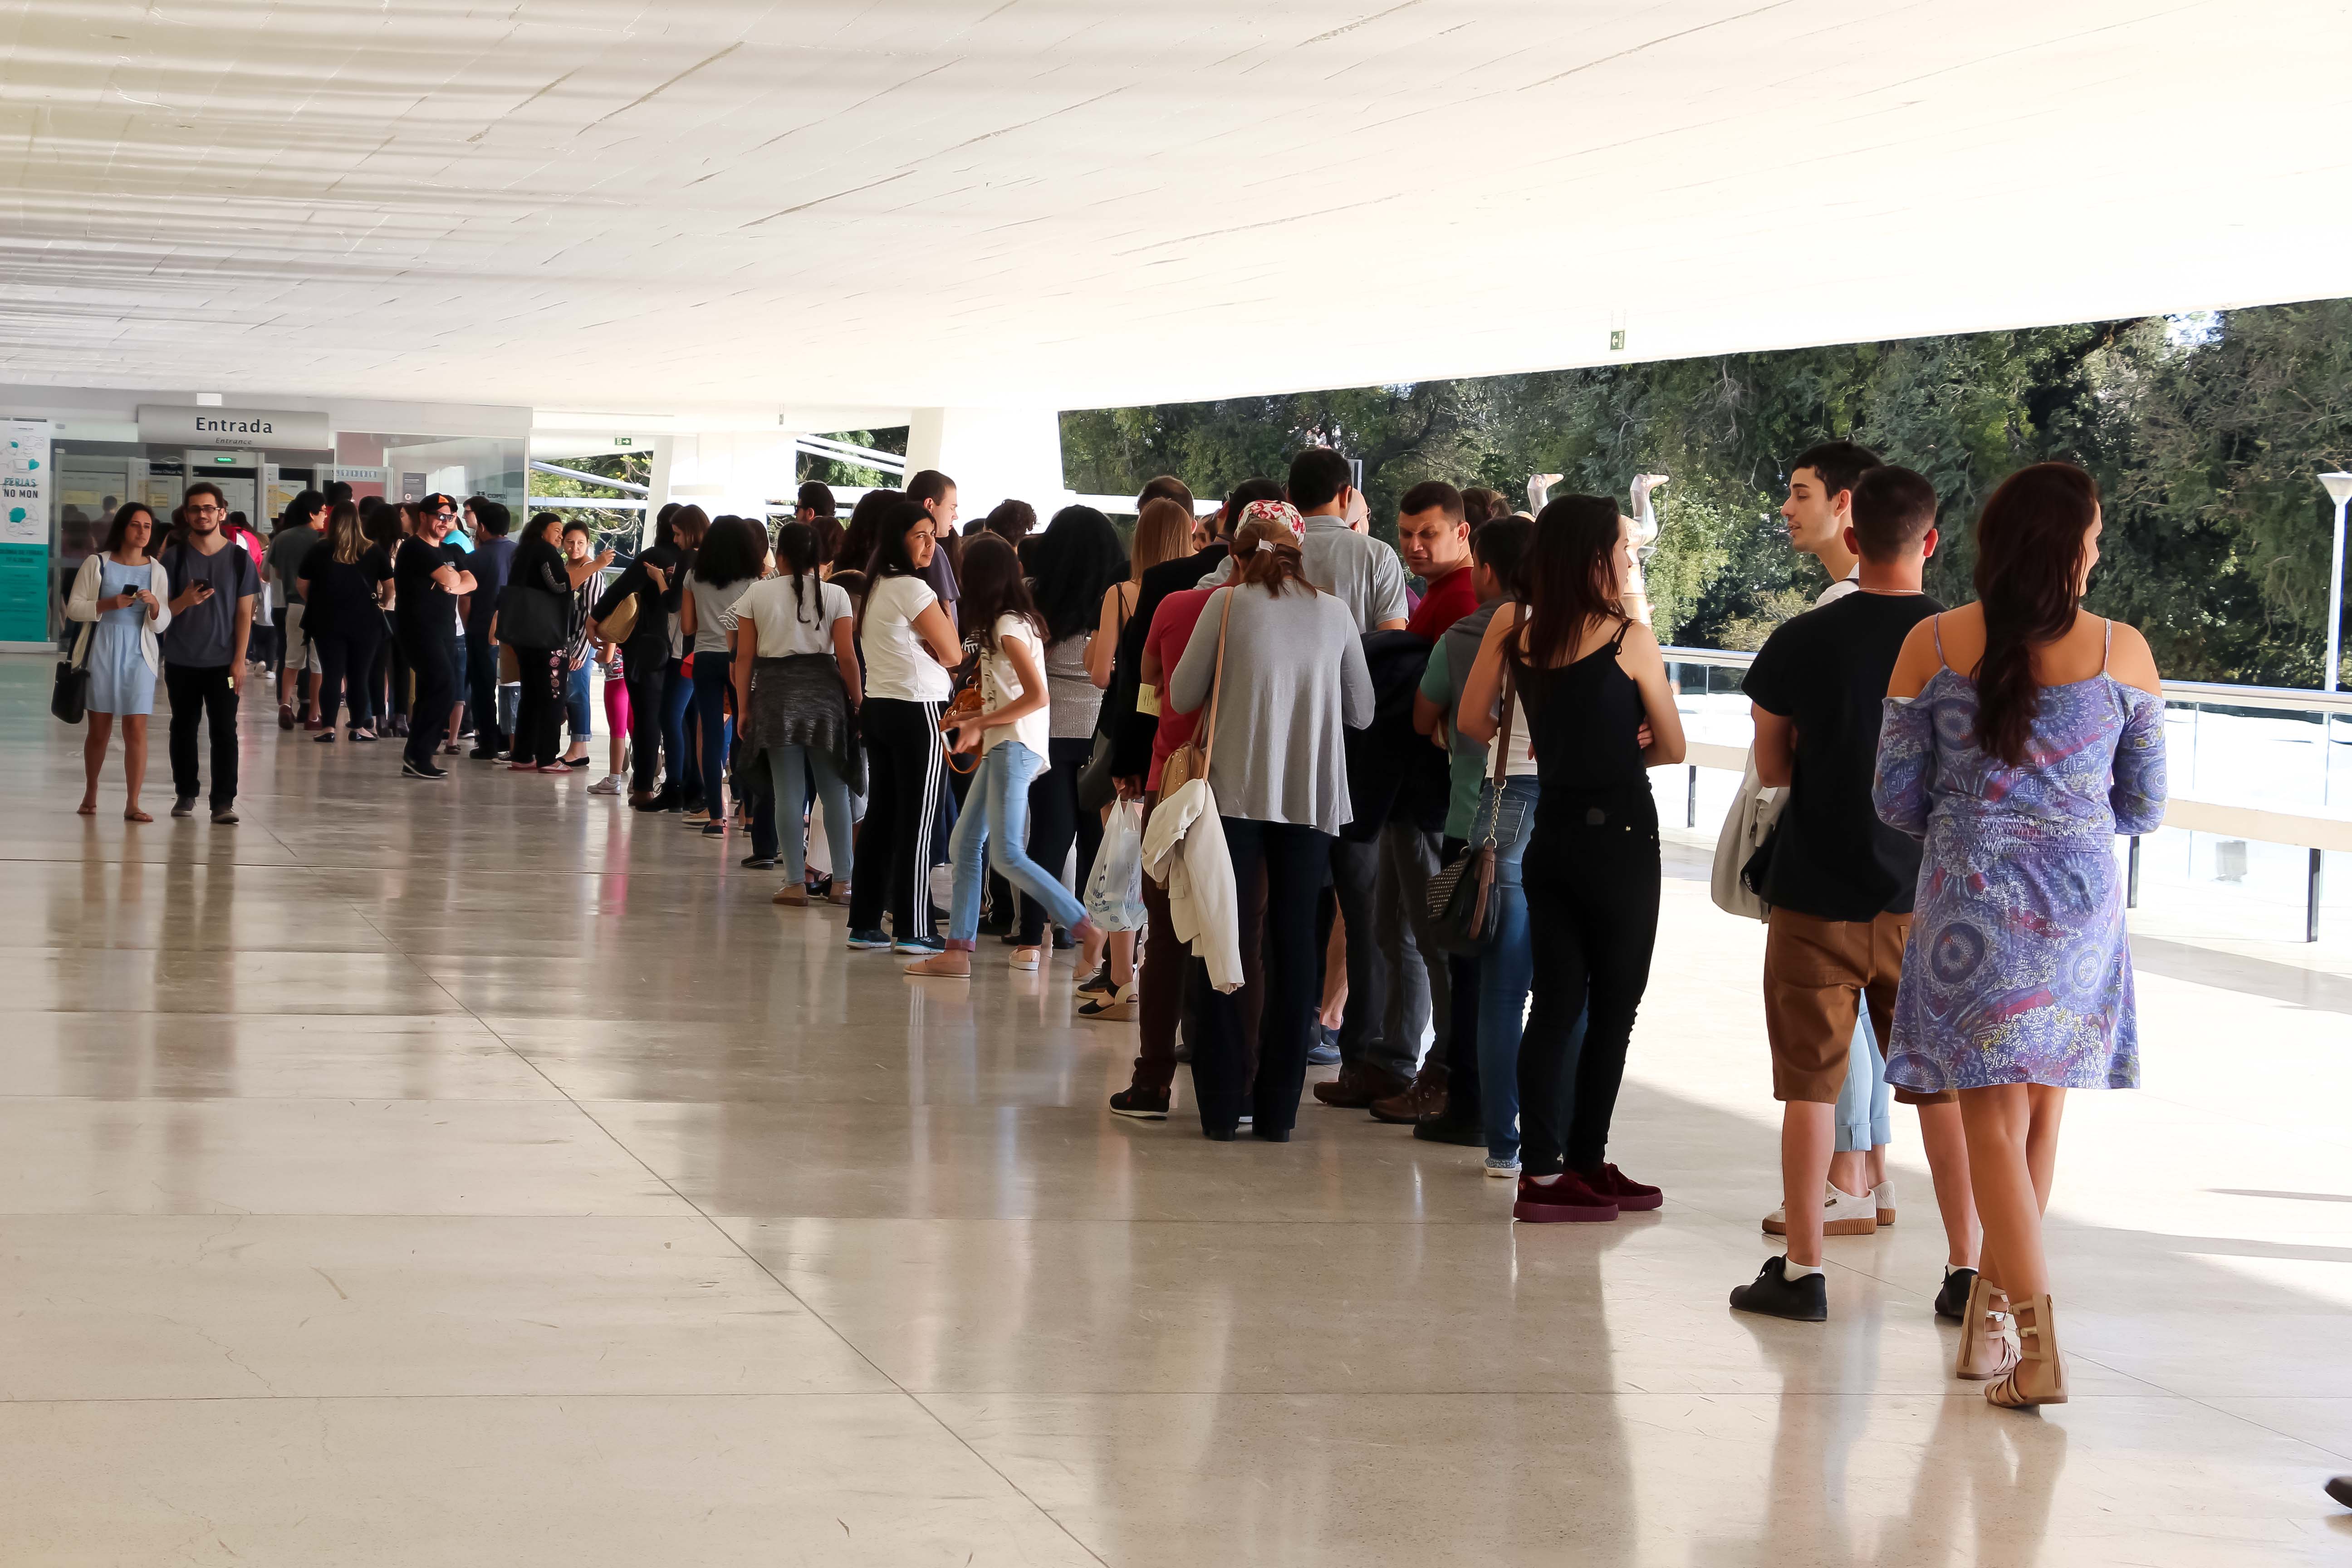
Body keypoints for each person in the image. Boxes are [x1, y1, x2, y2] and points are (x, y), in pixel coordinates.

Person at [1875, 461, 2166, 1410]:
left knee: (1992, 1121)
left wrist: (1981, 822)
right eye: (2096, 536)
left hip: (1969, 900)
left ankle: (2023, 1348)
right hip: (2081, 907)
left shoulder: (1932, 642)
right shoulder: (2125, 652)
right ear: (2074, 549)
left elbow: (1895, 798)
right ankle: (1991, 1336)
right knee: (2037, 1117)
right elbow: (2145, 805)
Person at [1728, 465, 1972, 1323]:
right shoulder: (1958, 642)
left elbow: (1770, 764)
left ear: (1853, 537)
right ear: (1930, 540)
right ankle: (1964, 1269)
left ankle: (1801, 1272)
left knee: (1808, 1087)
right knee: (1939, 1090)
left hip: (1812, 892)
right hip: (1924, 901)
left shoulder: (1802, 638)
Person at [1460, 495, 1685, 1222]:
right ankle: (1586, 1157)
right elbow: (1673, 746)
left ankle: (1545, 1172)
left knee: (1555, 1004)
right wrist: (1631, 739)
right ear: (1594, 557)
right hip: (1620, 835)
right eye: (1622, 548)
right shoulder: (1629, 638)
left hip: (1547, 829)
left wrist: (1548, 743)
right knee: (1613, 1008)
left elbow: (1471, 720)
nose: (1628, 559)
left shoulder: (1514, 626)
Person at [1166, 515, 1373, 1142]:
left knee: (1225, 939)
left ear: (1236, 554)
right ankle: (1280, 1109)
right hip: (1310, 797)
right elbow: (1361, 712)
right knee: (1294, 944)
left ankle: (1223, 1104)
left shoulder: (1225, 606)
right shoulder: (1335, 613)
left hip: (1233, 794)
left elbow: (1180, 696)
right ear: (1298, 554)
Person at [1755, 439, 1909, 1238]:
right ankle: (1879, 1182)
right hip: (1908, 877)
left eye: (1802, 492)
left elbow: (1779, 759)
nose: (1787, 507)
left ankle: (1841, 1180)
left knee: (1823, 1033)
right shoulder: (1939, 628)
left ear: (1848, 511)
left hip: (1829, 874)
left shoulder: (1823, 622)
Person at [1107, 505, 1285, 1119]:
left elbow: (1153, 686)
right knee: (1246, 938)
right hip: (1251, 796)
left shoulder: (1180, 606)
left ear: (1230, 552)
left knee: (1168, 941)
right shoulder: (1300, 620)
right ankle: (1239, 1080)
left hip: (1175, 783)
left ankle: (1153, 1078)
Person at [906, 537, 1107, 978]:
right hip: (1006, 745)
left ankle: (1083, 926)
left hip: (1013, 748)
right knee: (966, 843)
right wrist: (972, 716)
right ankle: (958, 952)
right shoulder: (1014, 621)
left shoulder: (1007, 627)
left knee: (1008, 854)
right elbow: (1013, 694)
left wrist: (978, 724)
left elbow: (1036, 695)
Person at [1412, 513, 1536, 1166]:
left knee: (1467, 963)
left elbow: (1424, 715)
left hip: (1468, 825)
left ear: (1486, 568)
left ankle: (1472, 1111)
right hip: (1541, 824)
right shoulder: (1582, 629)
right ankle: (1534, 1122)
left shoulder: (1464, 633)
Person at [1010, 505, 1133, 977]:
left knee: (1049, 835)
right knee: (1098, 842)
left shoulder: (1033, 596)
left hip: (1047, 730)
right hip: (1101, 733)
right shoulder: (1118, 596)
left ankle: (1030, 940)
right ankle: (1092, 948)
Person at [846, 498, 962, 955]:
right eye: (921, 535)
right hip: (919, 711)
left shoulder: (878, 585)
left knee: (882, 816)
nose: (932, 544)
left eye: (934, 534)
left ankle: (866, 922)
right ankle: (915, 927)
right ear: (898, 539)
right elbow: (953, 652)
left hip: (881, 708)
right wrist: (938, 649)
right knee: (918, 820)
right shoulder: (914, 590)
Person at [727, 520, 860, 906]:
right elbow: (848, 658)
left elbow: (745, 657)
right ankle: (843, 884)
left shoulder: (757, 593)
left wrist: (743, 708)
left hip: (776, 694)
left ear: (780, 555)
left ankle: (794, 884)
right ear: (818, 557)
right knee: (835, 792)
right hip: (826, 693)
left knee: (789, 792)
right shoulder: (836, 594)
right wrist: (858, 703)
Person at [155, 484, 261, 822]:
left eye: (209, 508)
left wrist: (239, 660)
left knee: (225, 731)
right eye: (195, 509)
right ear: (187, 515)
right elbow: (160, 612)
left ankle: (223, 802)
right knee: (183, 728)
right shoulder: (173, 558)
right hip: (181, 660)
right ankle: (185, 793)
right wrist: (185, 601)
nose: (202, 514)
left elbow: (245, 613)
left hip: (223, 664)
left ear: (222, 512)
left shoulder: (239, 558)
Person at [67, 503, 172, 820]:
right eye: (136, 526)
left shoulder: (156, 570)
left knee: (136, 728)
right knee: (99, 729)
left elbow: (163, 621)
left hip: (139, 653)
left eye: (148, 527)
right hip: (102, 647)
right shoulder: (97, 563)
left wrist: (155, 606)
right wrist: (108, 604)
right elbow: (74, 608)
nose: (142, 532)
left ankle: (133, 802)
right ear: (123, 528)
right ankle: (91, 791)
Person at [593, 502, 692, 809]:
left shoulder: (655, 556)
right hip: (686, 650)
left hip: (649, 648)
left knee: (648, 717)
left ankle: (644, 788)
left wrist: (593, 620)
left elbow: (619, 590)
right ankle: (686, 787)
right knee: (683, 721)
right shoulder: (697, 560)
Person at [502, 513, 613, 773]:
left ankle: (523, 754)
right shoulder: (545, 552)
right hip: (548, 638)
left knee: (530, 696)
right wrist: (596, 564)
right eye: (557, 530)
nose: (561, 536)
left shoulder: (523, 554)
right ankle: (548, 757)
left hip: (525, 637)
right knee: (553, 696)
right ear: (542, 530)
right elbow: (560, 585)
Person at [677, 514, 760, 828]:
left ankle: (715, 816)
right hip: (739, 658)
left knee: (711, 735)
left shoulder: (693, 577)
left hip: (705, 658)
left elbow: (688, 626)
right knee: (745, 734)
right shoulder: (753, 583)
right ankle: (749, 815)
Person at [392, 494, 477, 780]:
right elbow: (457, 580)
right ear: (424, 517)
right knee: (443, 686)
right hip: (419, 630)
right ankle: (419, 754)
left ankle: (417, 756)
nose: (445, 522)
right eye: (440, 516)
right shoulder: (415, 549)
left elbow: (471, 581)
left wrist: (452, 583)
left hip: (445, 631)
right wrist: (454, 581)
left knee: (435, 690)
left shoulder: (449, 549)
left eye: (450, 517)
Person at [295, 501, 393, 742]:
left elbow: (302, 585)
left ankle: (328, 728)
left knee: (332, 674)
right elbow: (390, 587)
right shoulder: (373, 550)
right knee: (359, 675)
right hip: (366, 622)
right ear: (359, 522)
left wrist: (319, 602)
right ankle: (358, 728)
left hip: (327, 621)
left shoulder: (319, 549)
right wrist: (381, 603)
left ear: (332, 520)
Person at [267, 491, 327, 731]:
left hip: (292, 606)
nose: (325, 516)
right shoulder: (322, 541)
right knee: (317, 664)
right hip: (319, 607)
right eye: (323, 511)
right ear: (312, 513)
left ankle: (284, 704)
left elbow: (278, 574)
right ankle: (314, 714)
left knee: (291, 659)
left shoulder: (281, 538)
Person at [463, 500, 517, 759]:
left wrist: (469, 626)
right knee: (514, 685)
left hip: (482, 629)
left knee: (483, 688)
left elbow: (465, 599)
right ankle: (514, 738)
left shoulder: (474, 559)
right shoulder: (520, 554)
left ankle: (488, 741)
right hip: (517, 632)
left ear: (481, 527)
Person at [1399, 481, 1479, 640]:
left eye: (1428, 534)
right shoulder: (1446, 590)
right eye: (1406, 534)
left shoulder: (1461, 598)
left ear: (1461, 533)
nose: (1414, 546)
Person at [556, 519, 604, 769]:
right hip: (563, 641)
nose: (575, 547)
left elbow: (592, 615)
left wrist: (583, 651)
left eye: (581, 543)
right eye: (570, 542)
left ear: (588, 544)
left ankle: (579, 748)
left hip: (580, 643)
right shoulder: (565, 568)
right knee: (567, 693)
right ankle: (576, 746)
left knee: (577, 694)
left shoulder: (592, 572)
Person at [906, 469, 962, 613]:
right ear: (930, 505)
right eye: (952, 508)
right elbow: (948, 616)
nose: (955, 516)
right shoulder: (932, 550)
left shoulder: (886, 548)